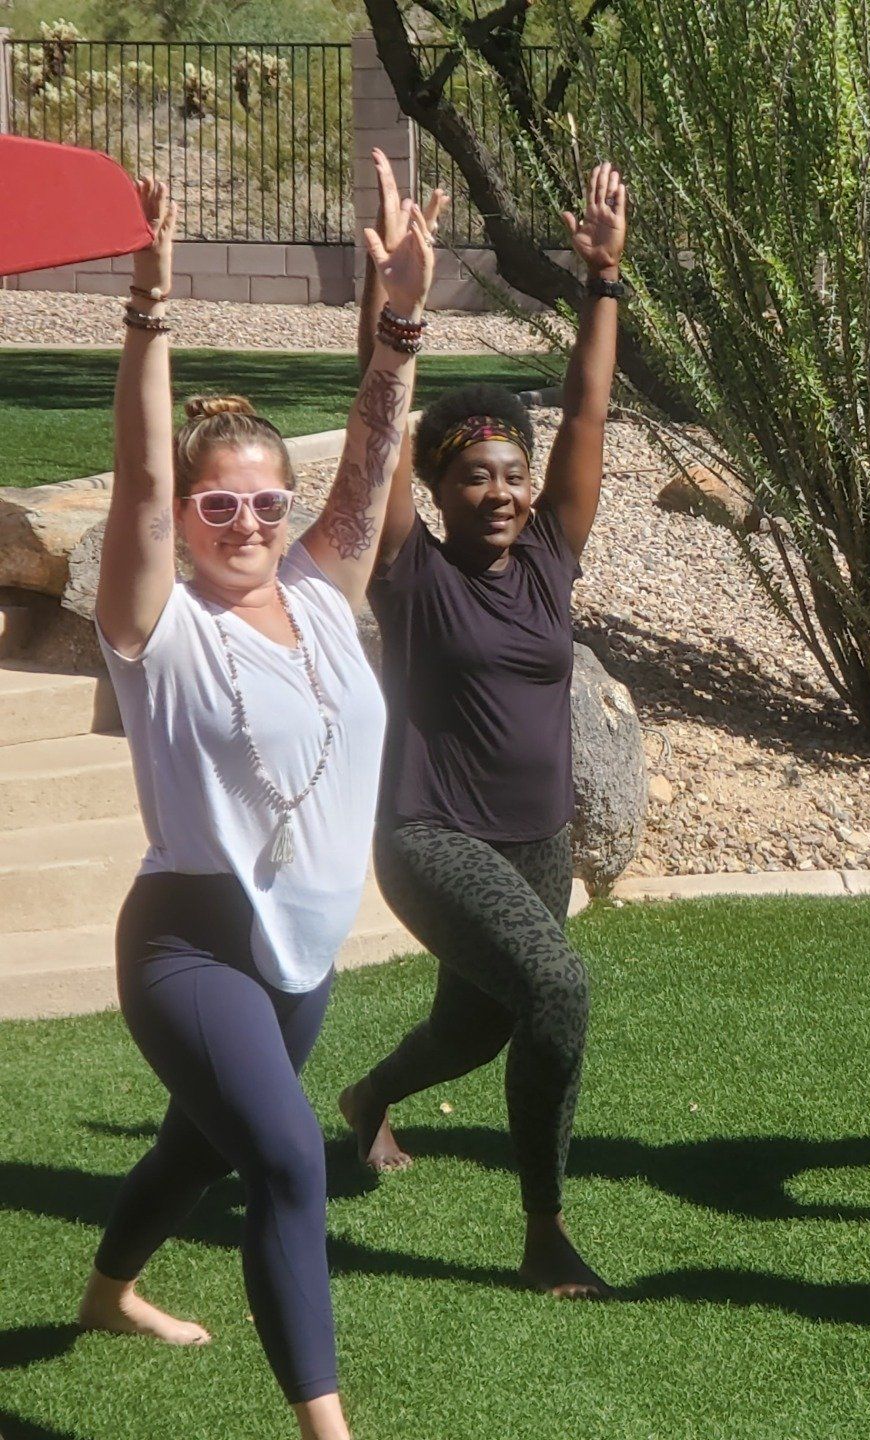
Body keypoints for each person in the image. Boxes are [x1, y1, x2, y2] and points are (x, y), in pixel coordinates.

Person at [78, 173, 434, 1440]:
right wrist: (150, 311)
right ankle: (328, 1433)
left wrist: (397, 325)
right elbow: (136, 487)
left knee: (199, 1142)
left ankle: (107, 1292)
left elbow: (378, 454)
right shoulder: (158, 628)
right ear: (191, 514)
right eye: (216, 503)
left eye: (263, 503)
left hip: (301, 952)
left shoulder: (327, 600)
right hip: (189, 941)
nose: (241, 522)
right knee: (284, 1161)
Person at [337, 161, 628, 1299]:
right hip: (429, 833)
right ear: (441, 492)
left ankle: (367, 1100)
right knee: (555, 987)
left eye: (513, 473)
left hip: (534, 839)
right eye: (475, 478)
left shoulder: (551, 558)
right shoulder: (406, 568)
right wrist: (395, 301)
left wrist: (602, 275)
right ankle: (545, 1228)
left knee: (481, 1025)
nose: (502, 492)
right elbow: (379, 421)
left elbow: (590, 413)